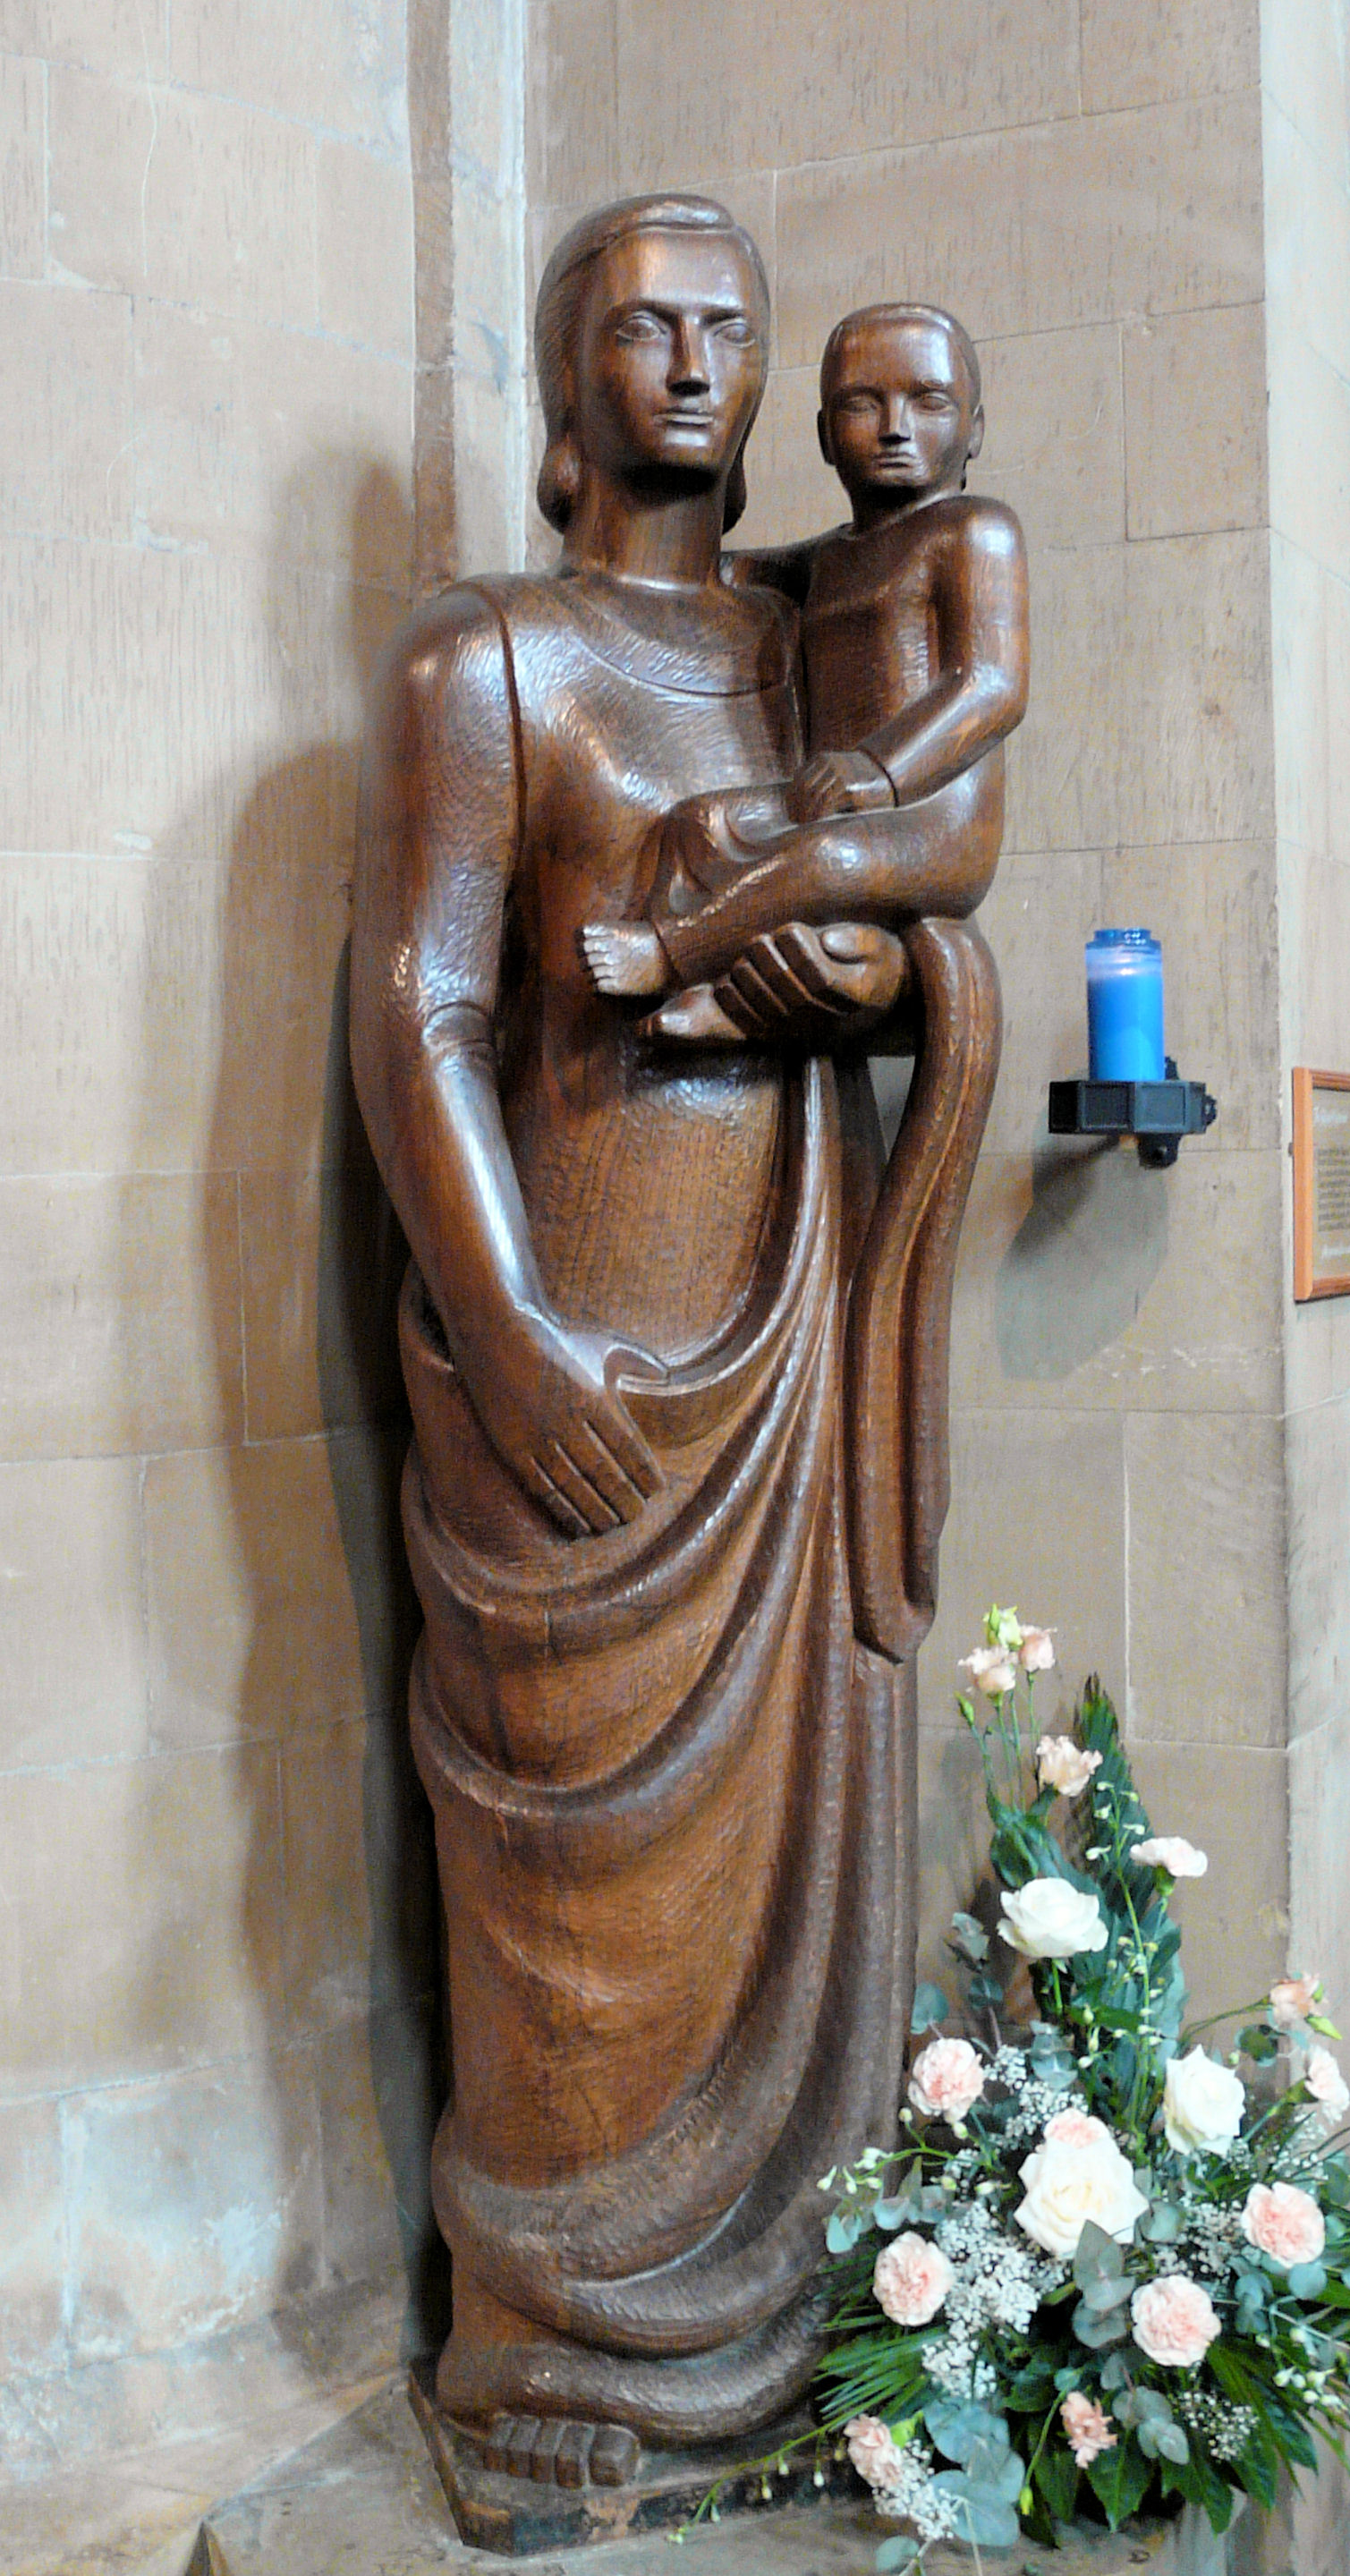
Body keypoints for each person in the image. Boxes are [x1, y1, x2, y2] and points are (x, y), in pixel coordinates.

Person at [350, 195, 1007, 2487]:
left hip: (785, 1353)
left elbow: (923, 886)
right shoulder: (483, 658)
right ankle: (551, 2362)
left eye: (732, 327)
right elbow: (421, 1013)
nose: (701, 363)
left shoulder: (810, 643)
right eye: (646, 329)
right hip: (584, 1377)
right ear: (567, 382)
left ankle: (793, 2323)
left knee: (789, 1860)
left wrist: (889, 976)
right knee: (567, 1903)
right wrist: (506, 1327)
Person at [580, 300, 1027, 1043]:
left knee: (828, 860)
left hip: (931, 818)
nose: (894, 427)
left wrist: (877, 773)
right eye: (862, 404)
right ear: (823, 436)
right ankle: (728, 990)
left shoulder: (974, 531)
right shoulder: (830, 557)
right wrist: (652, 537)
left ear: (973, 429)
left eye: (928, 402)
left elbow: (990, 687)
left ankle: (668, 953)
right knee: (700, 826)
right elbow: (729, 571)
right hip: (831, 797)